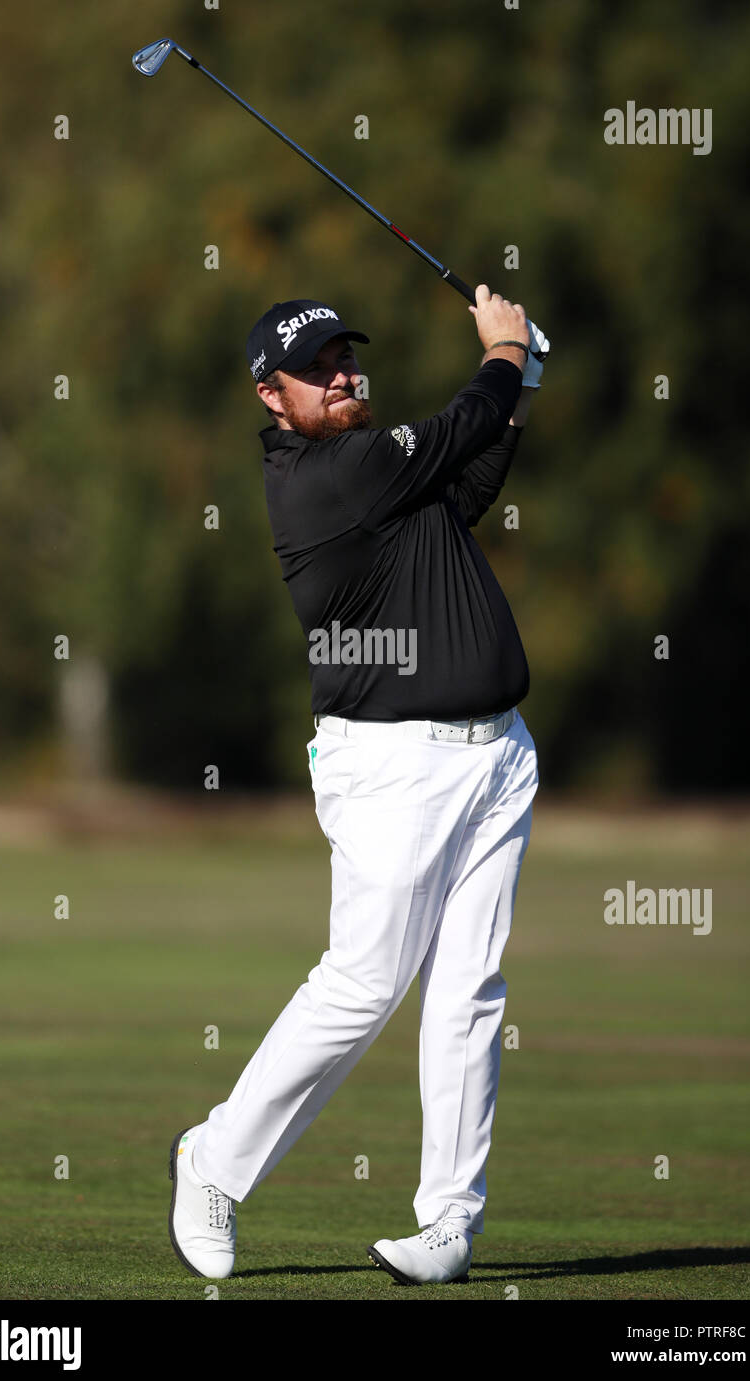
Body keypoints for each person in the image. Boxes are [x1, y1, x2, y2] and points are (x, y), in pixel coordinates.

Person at [168, 285, 548, 1285]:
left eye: (345, 356)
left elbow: (466, 481)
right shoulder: (323, 478)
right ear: (270, 396)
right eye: (317, 367)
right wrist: (503, 357)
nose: (342, 374)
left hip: (497, 757)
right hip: (392, 771)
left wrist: (521, 380)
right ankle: (211, 1162)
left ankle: (446, 1222)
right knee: (363, 984)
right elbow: (456, 427)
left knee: (468, 992)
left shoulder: (382, 480)